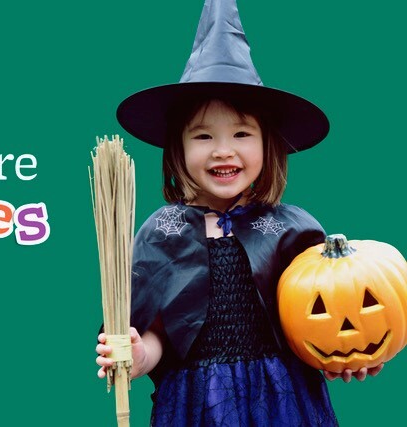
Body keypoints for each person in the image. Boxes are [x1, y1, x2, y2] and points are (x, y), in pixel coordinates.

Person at [94, 1, 383, 425]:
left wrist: (349, 355)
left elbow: (325, 317)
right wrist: (138, 355)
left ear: (269, 145)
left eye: (242, 133)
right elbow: (159, 335)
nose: (223, 149)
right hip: (196, 405)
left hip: (283, 401)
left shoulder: (292, 230)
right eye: (203, 135)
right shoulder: (163, 232)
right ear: (179, 149)